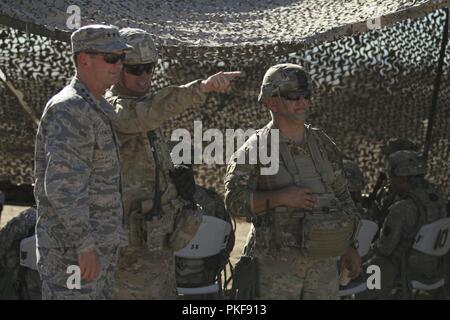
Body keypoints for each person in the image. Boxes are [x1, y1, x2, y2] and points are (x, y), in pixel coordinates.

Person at [105, 27, 240, 299]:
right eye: (135, 69)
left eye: (149, 67)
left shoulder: (139, 108)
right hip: (129, 252)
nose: (144, 76)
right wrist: (202, 87)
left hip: (155, 246)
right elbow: (153, 110)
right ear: (117, 67)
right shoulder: (116, 109)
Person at [224, 63, 361, 300]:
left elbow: (342, 194)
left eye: (306, 95)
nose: (303, 102)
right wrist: (280, 198)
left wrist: (349, 245)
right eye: (293, 96)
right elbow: (234, 201)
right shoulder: (256, 149)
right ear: (271, 102)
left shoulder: (322, 144)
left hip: (323, 267)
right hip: (275, 271)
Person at [34, 24, 131, 300]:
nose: (119, 65)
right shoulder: (71, 108)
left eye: (122, 57)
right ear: (84, 59)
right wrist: (85, 245)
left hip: (96, 248)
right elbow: (63, 187)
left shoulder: (96, 106)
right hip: (71, 253)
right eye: (111, 58)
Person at [357, 150, 447, 299]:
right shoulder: (438, 199)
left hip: (407, 267)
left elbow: (385, 249)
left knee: (371, 267)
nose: (390, 181)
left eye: (392, 176)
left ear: (403, 177)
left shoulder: (402, 208)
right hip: (434, 266)